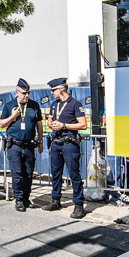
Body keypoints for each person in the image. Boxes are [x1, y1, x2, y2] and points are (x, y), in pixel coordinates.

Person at [0, 79, 44, 212]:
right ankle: (18, 199)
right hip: (15, 145)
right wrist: (13, 116)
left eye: (28, 93)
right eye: (24, 93)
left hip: (29, 145)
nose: (27, 96)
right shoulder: (9, 105)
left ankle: (26, 198)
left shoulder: (34, 105)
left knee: (29, 174)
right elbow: (1, 124)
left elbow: (39, 125)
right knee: (17, 174)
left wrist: (40, 141)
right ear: (17, 92)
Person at [46, 77, 89, 219]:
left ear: (61, 89)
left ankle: (78, 206)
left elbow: (83, 125)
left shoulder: (75, 104)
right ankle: (55, 200)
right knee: (56, 174)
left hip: (69, 144)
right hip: (56, 142)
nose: (52, 93)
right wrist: (50, 123)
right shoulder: (54, 104)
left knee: (74, 175)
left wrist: (64, 126)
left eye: (53, 90)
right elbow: (50, 120)